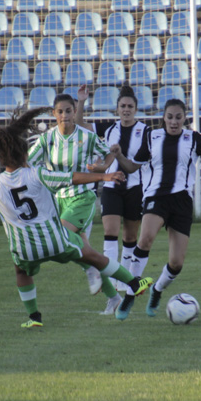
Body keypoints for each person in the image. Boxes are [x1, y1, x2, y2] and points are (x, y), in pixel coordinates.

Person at [0, 108, 152, 328]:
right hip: (56, 241)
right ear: (24, 154)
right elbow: (72, 178)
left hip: (25, 249)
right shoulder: (37, 174)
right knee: (91, 254)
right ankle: (133, 283)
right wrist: (103, 177)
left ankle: (34, 317)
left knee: (21, 270)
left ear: (0, 159)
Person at [110, 98, 201, 319]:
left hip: (181, 202)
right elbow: (132, 167)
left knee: (176, 263)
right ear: (164, 118)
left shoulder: (194, 139)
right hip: (156, 197)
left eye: (178, 117)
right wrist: (120, 155)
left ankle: (157, 290)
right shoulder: (152, 137)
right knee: (146, 238)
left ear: (184, 119)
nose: (174, 121)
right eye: (170, 117)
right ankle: (131, 293)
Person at [27, 92, 123, 315]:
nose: (64, 115)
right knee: (83, 250)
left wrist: (102, 168)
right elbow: (27, 163)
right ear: (54, 114)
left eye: (68, 111)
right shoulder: (47, 139)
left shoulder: (86, 137)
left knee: (61, 238)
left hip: (82, 197)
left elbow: (108, 155)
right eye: (60, 112)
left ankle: (92, 270)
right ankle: (114, 297)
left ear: (74, 112)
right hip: (57, 201)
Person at [76, 84, 151, 291]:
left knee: (129, 237)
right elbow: (80, 124)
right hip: (111, 187)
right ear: (117, 109)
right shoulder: (109, 128)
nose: (126, 109)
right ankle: (110, 280)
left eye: (130, 106)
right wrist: (81, 101)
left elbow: (138, 165)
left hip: (135, 188)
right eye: (122, 106)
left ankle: (124, 282)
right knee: (110, 232)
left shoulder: (145, 131)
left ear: (135, 109)